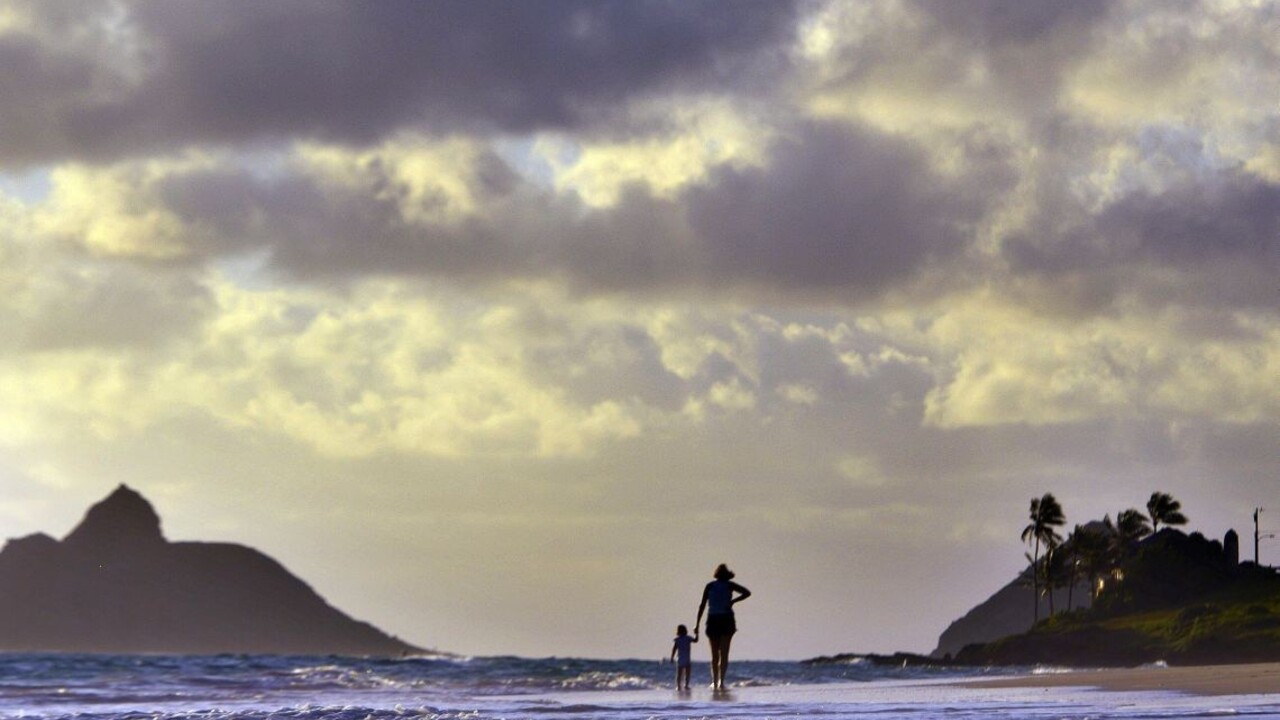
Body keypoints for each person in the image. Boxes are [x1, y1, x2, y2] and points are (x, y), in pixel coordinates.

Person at [695, 563, 751, 690]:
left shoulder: (710, 586)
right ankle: (721, 681)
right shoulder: (729, 585)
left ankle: (715, 681)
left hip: (714, 619)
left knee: (715, 654)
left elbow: (702, 605)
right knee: (724, 653)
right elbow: (747, 593)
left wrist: (697, 624)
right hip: (726, 618)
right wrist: (733, 601)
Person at [669, 624, 698, 691]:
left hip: (680, 658)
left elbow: (674, 649)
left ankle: (678, 686)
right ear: (685, 631)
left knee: (679, 673)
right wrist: (696, 634)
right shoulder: (688, 638)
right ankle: (686, 685)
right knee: (687, 673)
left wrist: (672, 657)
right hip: (687, 658)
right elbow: (696, 640)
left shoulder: (677, 640)